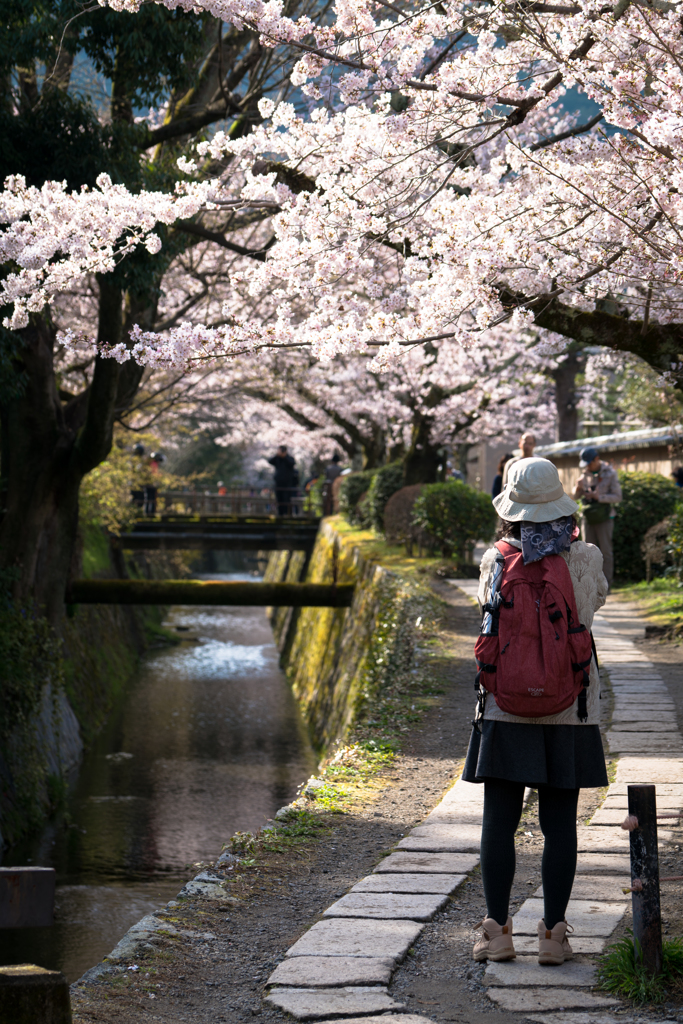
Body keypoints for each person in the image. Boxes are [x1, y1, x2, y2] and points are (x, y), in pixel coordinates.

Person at [464, 457, 608, 967]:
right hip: (570, 711)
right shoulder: (584, 557)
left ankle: (497, 932)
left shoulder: (495, 558)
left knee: (498, 823)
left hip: (504, 710)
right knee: (560, 825)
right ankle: (553, 936)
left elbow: (486, 617)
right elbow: (593, 608)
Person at [572, 446, 622, 586]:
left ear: (597, 459)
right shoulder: (584, 474)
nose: (588, 465)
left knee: (606, 552)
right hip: (588, 518)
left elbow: (617, 497)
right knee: (587, 552)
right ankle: (590, 585)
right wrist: (578, 488)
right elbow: (575, 497)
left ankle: (607, 584)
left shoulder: (610, 473)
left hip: (605, 518)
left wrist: (600, 497)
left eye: (589, 462)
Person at [267, 445, 297, 515]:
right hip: (278, 483)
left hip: (287, 483)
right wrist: (277, 455)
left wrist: (285, 456)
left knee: (286, 499)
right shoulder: (277, 459)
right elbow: (270, 461)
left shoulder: (289, 458)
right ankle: (280, 514)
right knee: (279, 499)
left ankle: (287, 514)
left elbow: (292, 463)